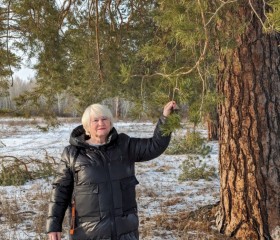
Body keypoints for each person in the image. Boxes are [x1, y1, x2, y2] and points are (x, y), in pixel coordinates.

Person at [46, 101, 177, 240]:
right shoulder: (73, 153)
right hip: (89, 233)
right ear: (87, 126)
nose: (101, 123)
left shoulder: (124, 145)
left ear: (110, 122)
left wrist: (166, 118)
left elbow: (155, 146)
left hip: (125, 231)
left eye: (104, 119)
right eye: (95, 120)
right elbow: (60, 189)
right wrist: (54, 225)